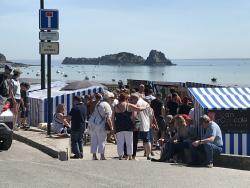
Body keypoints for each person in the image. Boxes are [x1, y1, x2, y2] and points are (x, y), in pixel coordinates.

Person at [114, 92, 147, 160]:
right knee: (129, 142)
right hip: (128, 126)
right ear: (126, 98)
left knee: (120, 142)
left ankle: (120, 155)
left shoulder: (115, 106)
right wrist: (146, 107)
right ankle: (130, 156)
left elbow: (112, 118)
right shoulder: (128, 105)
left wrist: (113, 127)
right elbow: (138, 109)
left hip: (119, 126)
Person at [89, 92, 114, 160]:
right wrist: (111, 128)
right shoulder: (107, 105)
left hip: (93, 124)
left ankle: (94, 156)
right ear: (108, 98)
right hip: (101, 125)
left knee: (94, 140)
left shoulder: (98, 103)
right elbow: (108, 118)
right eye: (112, 98)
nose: (112, 100)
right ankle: (102, 156)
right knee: (102, 140)